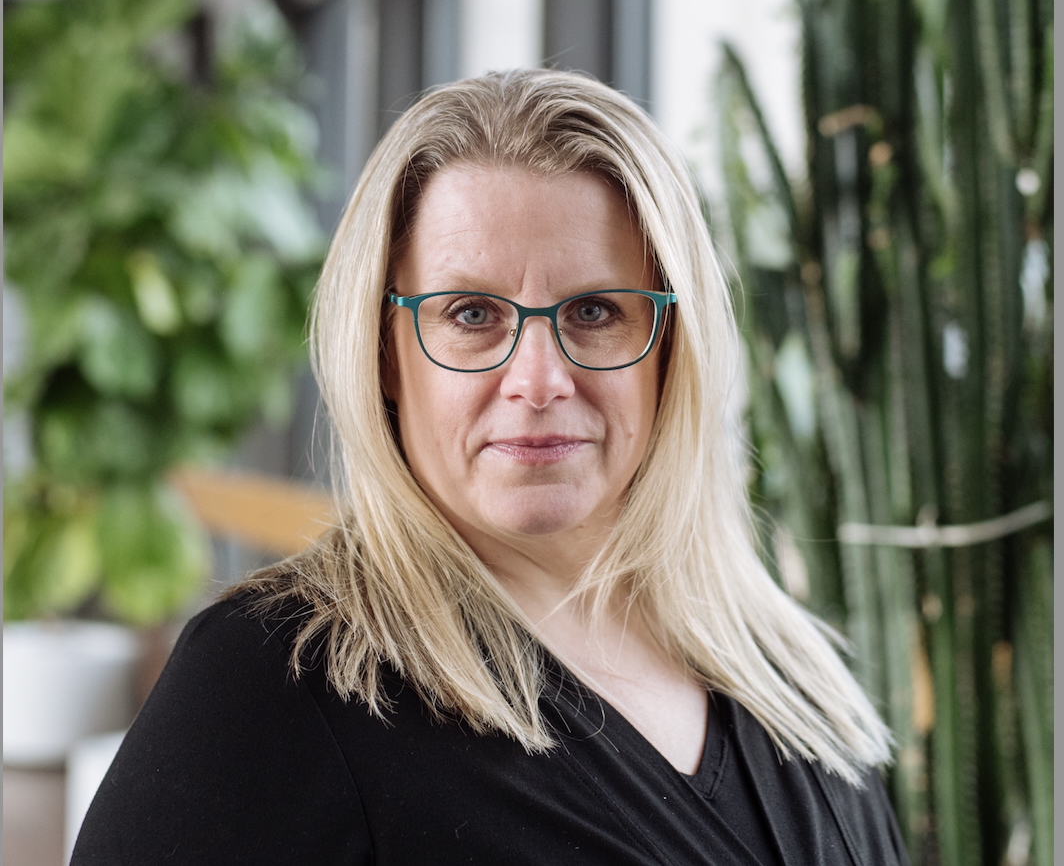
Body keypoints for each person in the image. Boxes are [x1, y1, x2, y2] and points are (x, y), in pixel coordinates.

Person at [72, 69, 909, 865]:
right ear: (386, 355)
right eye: (471, 313)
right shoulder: (273, 683)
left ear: (671, 349)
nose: (539, 380)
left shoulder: (790, 670)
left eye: (594, 312)